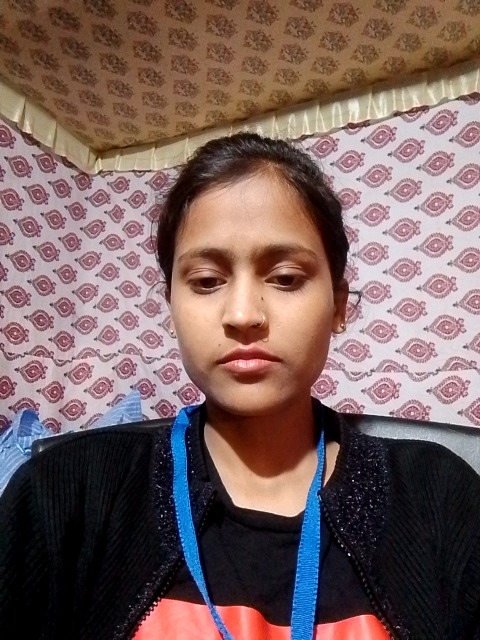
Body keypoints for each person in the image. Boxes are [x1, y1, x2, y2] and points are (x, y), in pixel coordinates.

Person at [1, 133, 480, 640]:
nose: (243, 314)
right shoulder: (65, 494)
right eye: (207, 281)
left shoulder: (439, 498)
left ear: (339, 305)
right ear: (171, 305)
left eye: (286, 277)